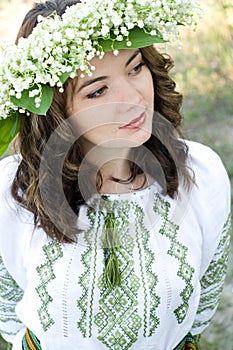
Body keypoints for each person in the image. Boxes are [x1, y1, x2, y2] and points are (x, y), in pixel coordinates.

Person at [0, 1, 231, 349]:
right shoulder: (11, 192)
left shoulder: (201, 175)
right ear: (56, 111)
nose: (132, 98)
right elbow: (8, 309)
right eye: (97, 90)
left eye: (135, 68)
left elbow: (205, 298)